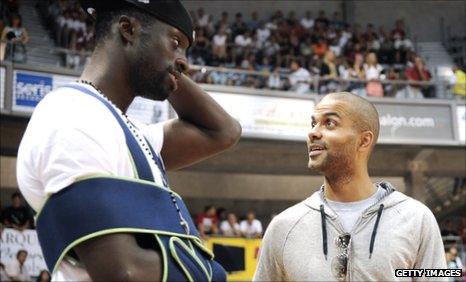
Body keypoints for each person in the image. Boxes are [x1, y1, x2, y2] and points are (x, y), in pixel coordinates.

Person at [16, 0, 241, 281]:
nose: (185, 61)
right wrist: (210, 272)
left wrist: (169, 66)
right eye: (175, 42)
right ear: (128, 29)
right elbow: (125, 273)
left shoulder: (127, 128)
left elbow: (223, 131)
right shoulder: (73, 116)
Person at [254, 92, 447, 281]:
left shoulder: (416, 219)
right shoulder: (284, 226)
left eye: (329, 123)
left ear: (363, 140)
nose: (313, 132)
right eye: (314, 123)